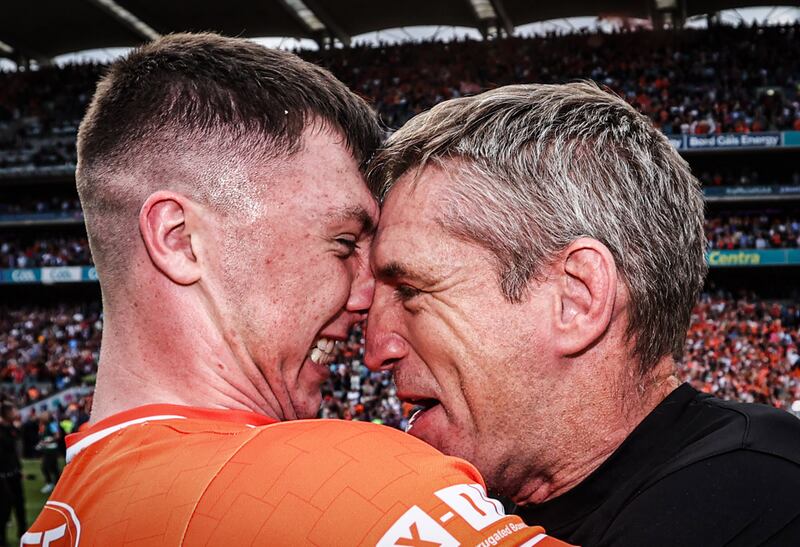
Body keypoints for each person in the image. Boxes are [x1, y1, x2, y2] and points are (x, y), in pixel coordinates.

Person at [24, 34, 567, 547]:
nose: (367, 298)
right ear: (181, 240)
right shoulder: (350, 491)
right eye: (342, 243)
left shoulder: (68, 514)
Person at [364, 82, 800, 546]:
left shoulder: (762, 503)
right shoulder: (480, 505)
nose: (375, 348)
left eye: (411, 289)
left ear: (577, 298)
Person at [0, 400, 26, 546]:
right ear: (6, 413)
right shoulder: (2, 431)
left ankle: (23, 534)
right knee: (5, 508)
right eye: (13, 410)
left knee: (20, 506)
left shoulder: (11, 428)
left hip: (14, 472)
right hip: (3, 476)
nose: (16, 412)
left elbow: (16, 438)